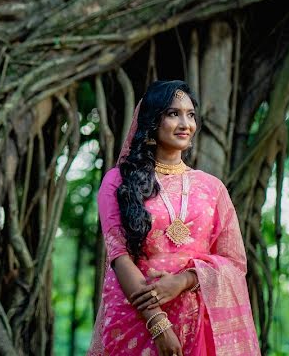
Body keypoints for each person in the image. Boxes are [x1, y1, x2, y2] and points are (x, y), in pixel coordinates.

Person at [87, 80, 261, 356]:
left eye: (190, 115)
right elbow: (119, 257)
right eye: (173, 113)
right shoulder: (119, 181)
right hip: (135, 318)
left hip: (197, 321)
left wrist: (183, 281)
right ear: (152, 120)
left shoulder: (212, 188)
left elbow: (233, 262)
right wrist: (158, 324)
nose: (185, 123)